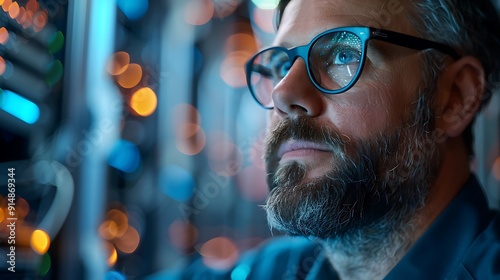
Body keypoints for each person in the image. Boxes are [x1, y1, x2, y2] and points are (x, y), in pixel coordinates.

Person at [159, 0, 500, 279]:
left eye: (343, 54)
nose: (283, 93)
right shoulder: (277, 271)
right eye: (281, 65)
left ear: (454, 97)